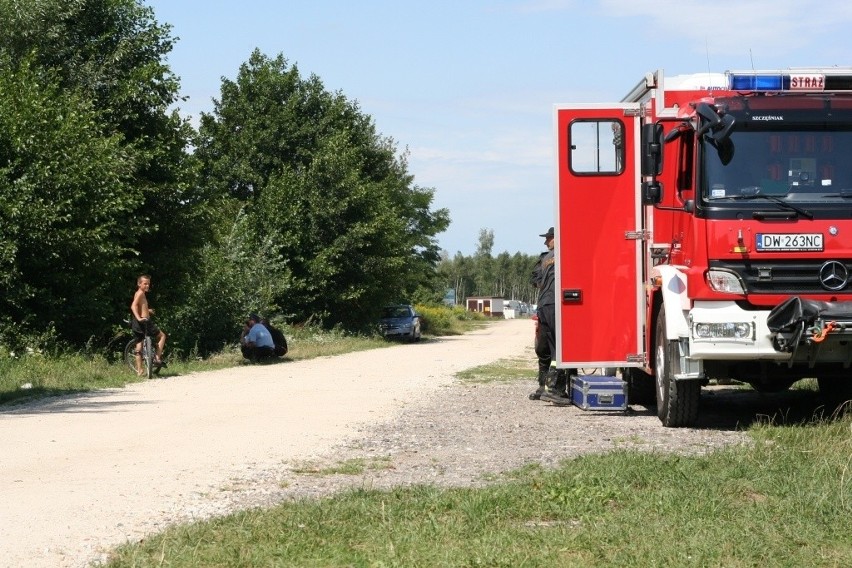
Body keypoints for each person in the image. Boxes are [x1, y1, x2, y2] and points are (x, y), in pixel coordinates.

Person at [530, 227, 574, 405]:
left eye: (548, 238)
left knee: (545, 348)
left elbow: (535, 281)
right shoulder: (568, 254)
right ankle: (555, 389)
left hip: (544, 304)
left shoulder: (544, 258)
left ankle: (543, 388)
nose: (545, 242)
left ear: (557, 238)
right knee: (560, 348)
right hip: (557, 304)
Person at [130, 274, 167, 376]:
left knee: (139, 345)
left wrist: (147, 310)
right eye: (145, 283)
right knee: (162, 336)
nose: (147, 286)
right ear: (139, 284)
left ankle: (140, 370)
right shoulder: (140, 293)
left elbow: (139, 306)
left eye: (148, 284)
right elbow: (133, 306)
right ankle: (157, 357)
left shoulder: (140, 293)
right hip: (143, 321)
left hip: (141, 321)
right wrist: (138, 318)